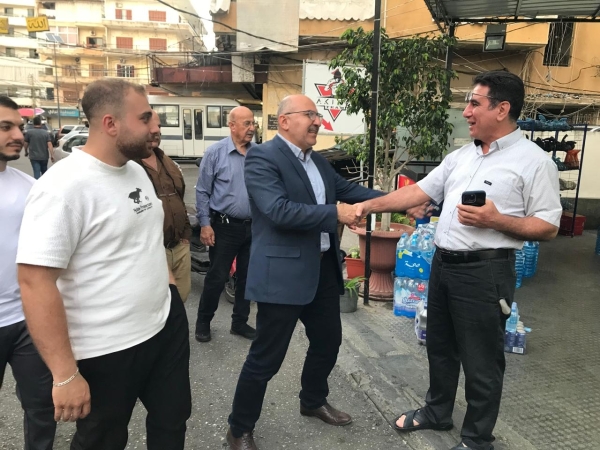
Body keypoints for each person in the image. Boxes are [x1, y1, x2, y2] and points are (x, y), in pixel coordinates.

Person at [355, 71, 562, 450]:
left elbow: (548, 226)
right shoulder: (461, 156)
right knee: (440, 346)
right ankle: (437, 412)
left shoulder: (534, 162)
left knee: (482, 360)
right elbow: (419, 192)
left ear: (502, 109)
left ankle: (477, 439)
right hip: (444, 265)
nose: (466, 112)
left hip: (486, 272)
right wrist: (368, 206)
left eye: (474, 104)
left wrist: (496, 220)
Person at [16, 79, 192, 450]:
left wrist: (169, 287)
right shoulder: (62, 187)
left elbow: (146, 238)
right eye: (145, 118)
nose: (156, 126)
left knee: (173, 420)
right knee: (103, 440)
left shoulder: (136, 170)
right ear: (110, 124)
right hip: (106, 349)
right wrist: (65, 375)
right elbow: (35, 282)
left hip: (164, 327)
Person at [225, 94, 383, 450]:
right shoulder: (263, 158)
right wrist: (335, 213)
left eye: (318, 114)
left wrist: (405, 198)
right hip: (282, 275)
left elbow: (351, 191)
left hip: (322, 271)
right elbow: (278, 210)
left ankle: (312, 400)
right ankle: (239, 428)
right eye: (309, 114)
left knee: (328, 342)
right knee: (266, 358)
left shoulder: (319, 162)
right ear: (284, 121)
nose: (317, 121)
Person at [0, 96, 56, 449]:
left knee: (41, 408)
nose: (18, 136)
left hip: (27, 321)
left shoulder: (30, 188)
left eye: (19, 127)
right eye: (6, 127)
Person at [194, 106, 258, 342]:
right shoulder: (216, 153)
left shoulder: (258, 153)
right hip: (224, 227)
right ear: (232, 126)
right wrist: (205, 224)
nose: (252, 128)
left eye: (253, 123)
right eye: (246, 123)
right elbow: (202, 191)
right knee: (217, 277)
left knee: (247, 278)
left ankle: (239, 323)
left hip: (252, 227)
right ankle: (203, 322)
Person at [136, 112, 192, 302]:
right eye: (149, 126)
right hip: (152, 251)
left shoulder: (168, 162)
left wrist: (185, 236)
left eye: (159, 127)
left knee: (180, 299)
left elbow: (179, 198)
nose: (156, 131)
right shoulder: (128, 165)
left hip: (179, 246)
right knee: (156, 304)